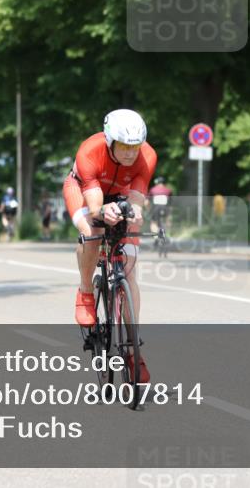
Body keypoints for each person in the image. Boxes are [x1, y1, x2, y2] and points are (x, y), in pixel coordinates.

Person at [63, 109, 156, 382]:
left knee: (128, 262)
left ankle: (132, 348)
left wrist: (135, 211)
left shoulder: (147, 156)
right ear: (109, 141)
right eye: (124, 146)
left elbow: (137, 196)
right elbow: (95, 207)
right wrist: (104, 212)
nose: (130, 153)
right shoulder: (89, 152)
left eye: (134, 146)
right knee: (92, 231)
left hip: (121, 193)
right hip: (83, 190)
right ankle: (85, 293)